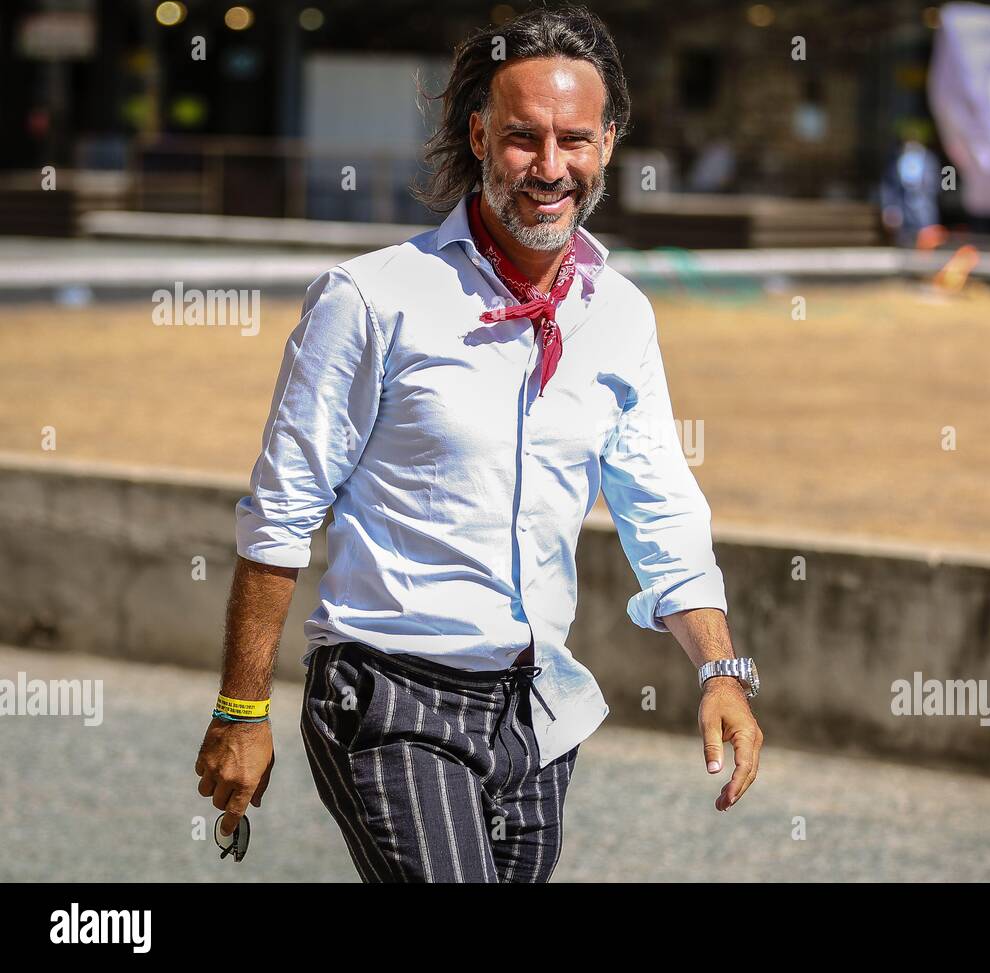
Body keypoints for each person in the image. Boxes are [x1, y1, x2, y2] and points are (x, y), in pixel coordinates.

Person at [193, 4, 763, 883]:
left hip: (537, 712)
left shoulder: (620, 315)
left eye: (574, 138)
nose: (550, 167)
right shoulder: (371, 298)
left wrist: (720, 667)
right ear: (477, 134)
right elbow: (280, 514)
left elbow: (661, 505)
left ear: (608, 143)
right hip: (387, 697)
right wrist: (242, 707)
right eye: (522, 138)